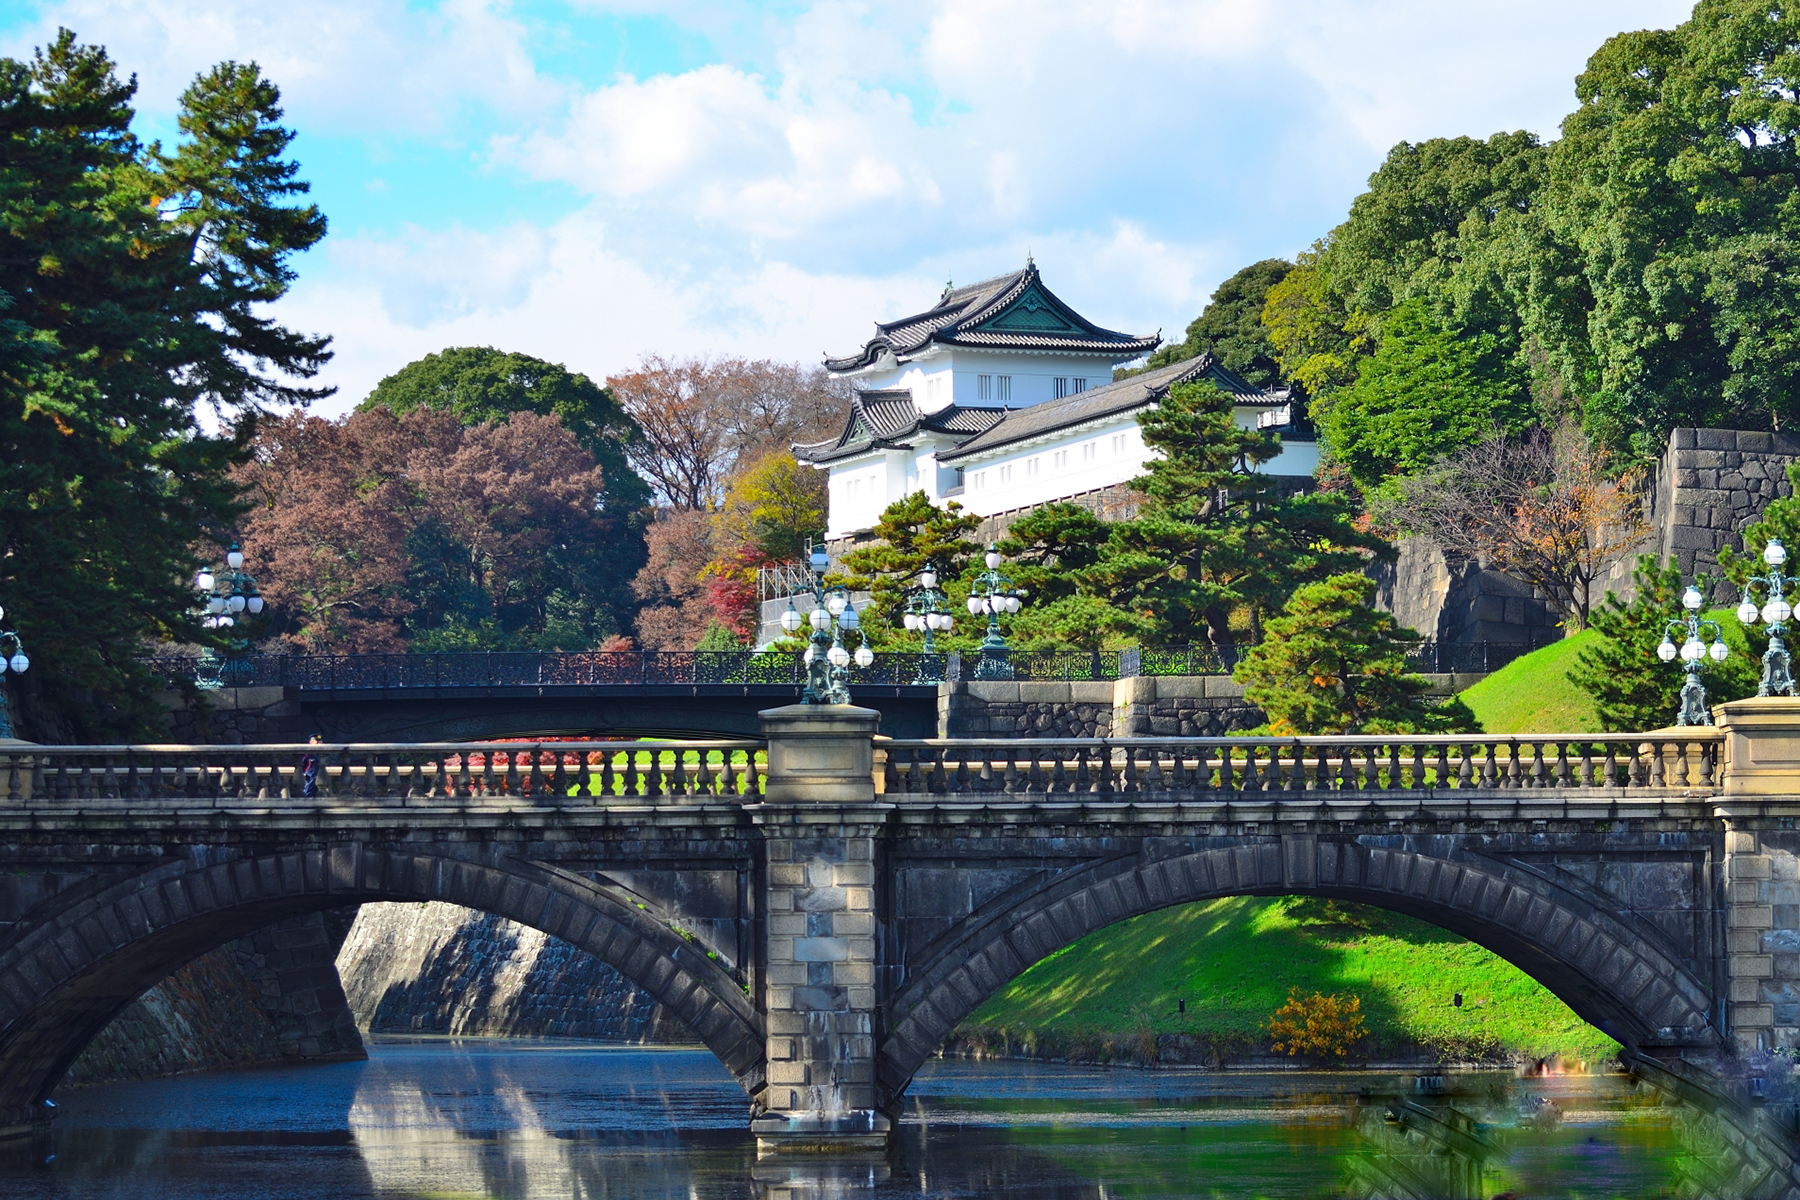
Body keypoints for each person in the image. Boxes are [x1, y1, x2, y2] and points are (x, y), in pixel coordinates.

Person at [301, 734, 322, 798]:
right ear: (311, 742)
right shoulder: (308, 754)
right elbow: (302, 763)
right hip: (309, 777)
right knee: (307, 793)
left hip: (318, 777)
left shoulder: (320, 754)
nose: (319, 743)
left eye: (320, 742)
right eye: (317, 742)